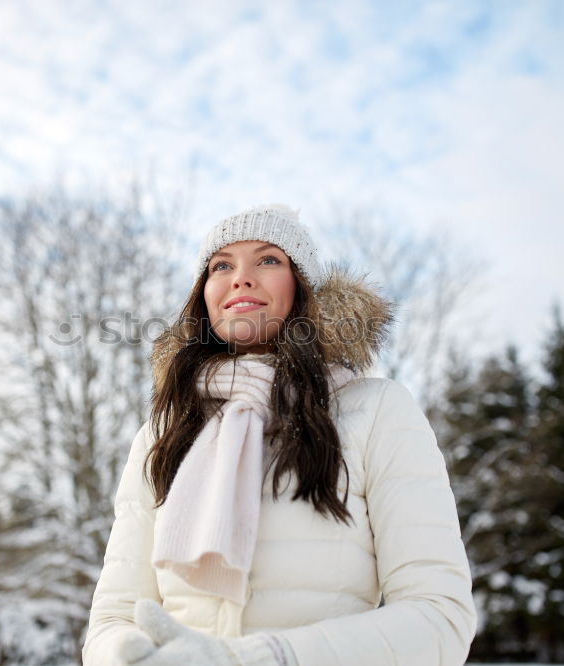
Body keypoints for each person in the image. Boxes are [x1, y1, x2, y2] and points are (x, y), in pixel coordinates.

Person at [83, 204, 476, 666]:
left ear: (304, 289)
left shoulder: (377, 411)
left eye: (268, 260)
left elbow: (440, 617)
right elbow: (113, 618)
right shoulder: (164, 433)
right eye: (221, 265)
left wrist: (260, 658)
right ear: (203, 296)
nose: (241, 278)